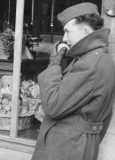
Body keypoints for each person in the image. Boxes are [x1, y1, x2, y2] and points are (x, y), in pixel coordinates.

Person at [32, 3, 115, 160]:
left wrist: (55, 62)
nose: (64, 38)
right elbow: (105, 116)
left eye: (67, 31)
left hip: (65, 148)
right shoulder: (98, 58)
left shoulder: (90, 64)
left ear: (84, 31)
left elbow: (52, 104)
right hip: (75, 146)